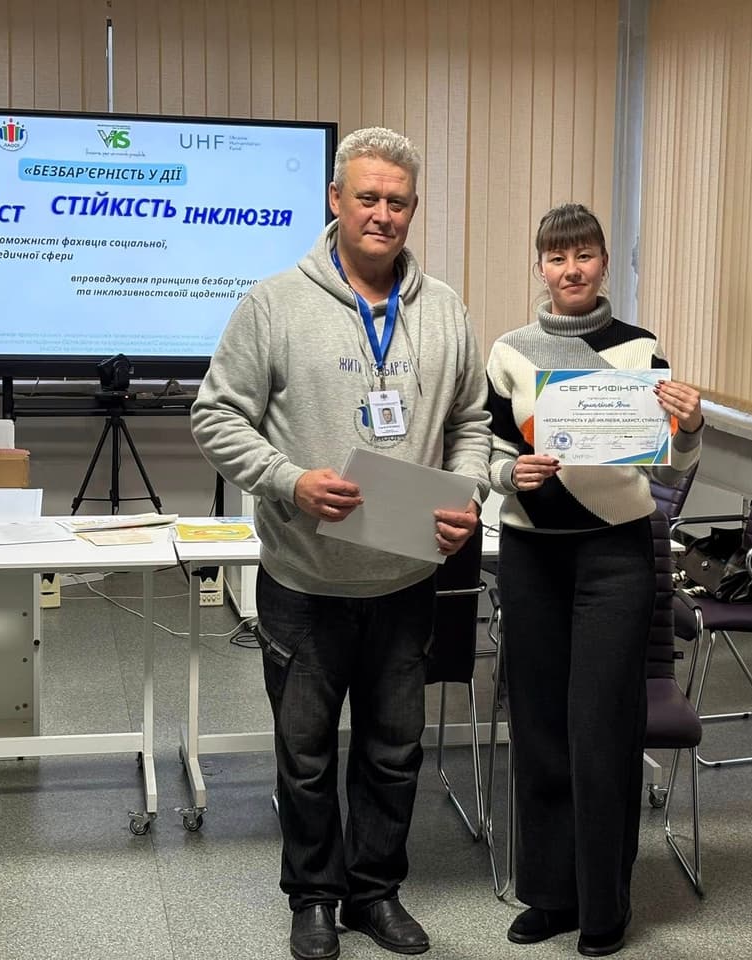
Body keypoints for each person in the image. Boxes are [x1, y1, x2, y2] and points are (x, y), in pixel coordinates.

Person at [191, 127, 490, 960]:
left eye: (397, 201)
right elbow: (215, 415)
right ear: (335, 200)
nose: (382, 214)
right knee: (308, 755)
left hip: (405, 578)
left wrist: (463, 488)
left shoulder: (445, 310)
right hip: (306, 579)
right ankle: (314, 898)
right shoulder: (273, 303)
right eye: (367, 197)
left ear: (413, 209)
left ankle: (375, 894)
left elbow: (472, 421)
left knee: (395, 753)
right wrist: (289, 480)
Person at [485, 203, 702, 956]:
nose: (570, 270)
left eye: (583, 255)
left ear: (605, 262)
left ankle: (605, 900)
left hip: (615, 552)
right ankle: (550, 894)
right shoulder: (509, 351)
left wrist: (691, 425)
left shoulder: (641, 349)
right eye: (555, 257)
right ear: (540, 268)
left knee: (601, 724)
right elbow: (483, 451)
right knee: (539, 722)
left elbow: (669, 463)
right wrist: (510, 472)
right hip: (532, 550)